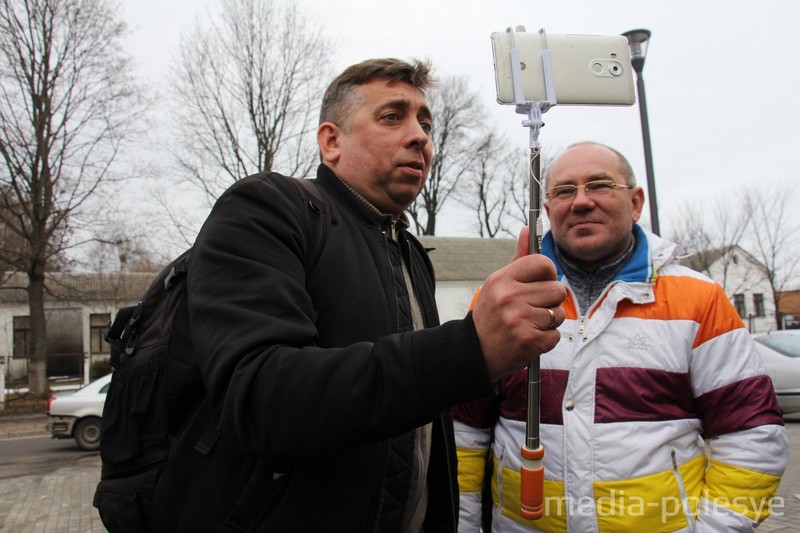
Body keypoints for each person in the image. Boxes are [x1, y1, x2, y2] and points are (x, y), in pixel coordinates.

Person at [149, 58, 567, 532]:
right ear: (331, 141)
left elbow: (422, 430)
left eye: (425, 123)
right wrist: (470, 348)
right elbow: (261, 398)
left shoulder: (411, 252)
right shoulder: (267, 208)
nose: (420, 137)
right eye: (393, 117)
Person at [454, 142, 789, 532]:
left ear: (635, 202)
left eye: (599, 185)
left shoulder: (699, 300)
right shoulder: (499, 301)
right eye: (564, 191)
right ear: (547, 212)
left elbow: (752, 436)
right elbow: (463, 434)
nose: (580, 202)